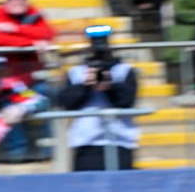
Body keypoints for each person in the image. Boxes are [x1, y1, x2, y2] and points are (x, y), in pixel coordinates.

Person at [59, 22, 138, 170]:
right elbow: (67, 103)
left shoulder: (124, 70)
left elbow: (127, 101)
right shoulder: (76, 72)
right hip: (86, 142)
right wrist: (86, 86)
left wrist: (109, 86)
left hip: (120, 141)